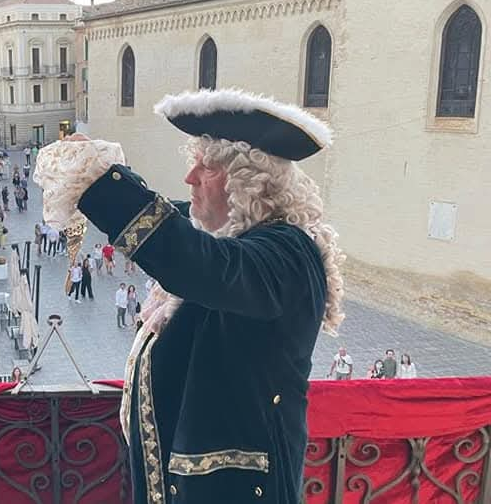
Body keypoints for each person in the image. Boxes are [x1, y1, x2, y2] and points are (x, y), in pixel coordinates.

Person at [33, 89, 345, 503]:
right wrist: (111, 177)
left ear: (251, 182)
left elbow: (191, 260)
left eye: (208, 167)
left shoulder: (286, 253)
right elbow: (170, 220)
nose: (190, 177)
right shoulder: (227, 235)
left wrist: (98, 176)